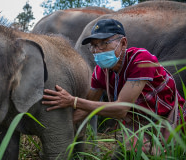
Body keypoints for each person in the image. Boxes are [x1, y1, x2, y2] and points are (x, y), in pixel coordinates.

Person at [42, 19, 186, 153]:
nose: (97, 50)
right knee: (121, 155)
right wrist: (55, 126)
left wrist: (72, 100)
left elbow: (121, 109)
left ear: (123, 43)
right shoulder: (101, 71)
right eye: (94, 45)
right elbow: (85, 109)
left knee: (168, 154)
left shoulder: (141, 59)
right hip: (138, 124)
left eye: (104, 43)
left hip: (168, 120)